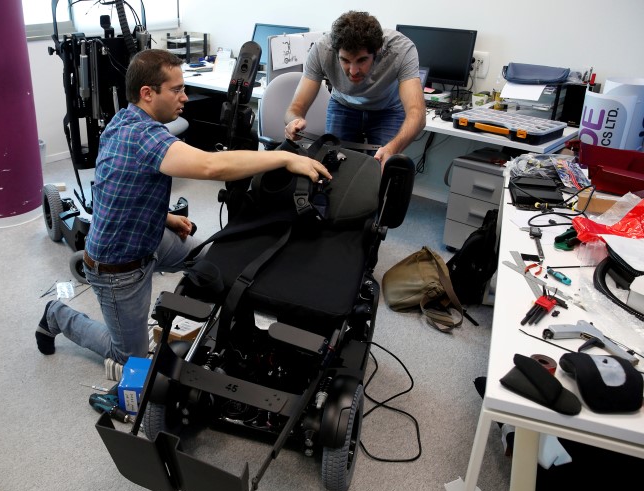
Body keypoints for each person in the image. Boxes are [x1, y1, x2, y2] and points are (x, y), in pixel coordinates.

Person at [36, 48, 331, 379]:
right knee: (128, 358)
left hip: (152, 238)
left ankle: (228, 330)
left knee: (212, 261)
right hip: (118, 268)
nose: (185, 98)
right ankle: (57, 315)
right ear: (148, 94)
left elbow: (117, 189)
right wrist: (283, 157)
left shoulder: (125, 119)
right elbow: (210, 164)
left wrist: (163, 216)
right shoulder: (143, 135)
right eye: (177, 90)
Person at [284, 11, 426, 167]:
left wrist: (392, 148)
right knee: (335, 167)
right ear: (335, 51)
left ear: (377, 50)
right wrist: (293, 122)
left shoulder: (401, 49)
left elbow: (417, 114)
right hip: (343, 106)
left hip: (387, 110)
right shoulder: (321, 49)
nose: (353, 71)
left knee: (383, 168)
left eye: (362, 60)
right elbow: (296, 107)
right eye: (345, 60)